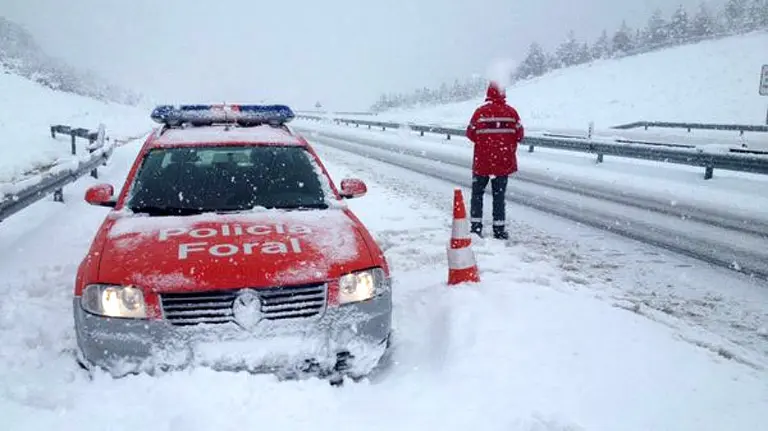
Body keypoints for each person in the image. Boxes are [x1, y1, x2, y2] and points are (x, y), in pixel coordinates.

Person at [465, 82, 524, 240]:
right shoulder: (511, 113)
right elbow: (520, 135)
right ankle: (499, 230)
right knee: (499, 197)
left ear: (489, 93)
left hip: (482, 163)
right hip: (503, 164)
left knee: (477, 195)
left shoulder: (480, 112)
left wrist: (485, 143)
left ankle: (476, 228)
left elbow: (470, 133)